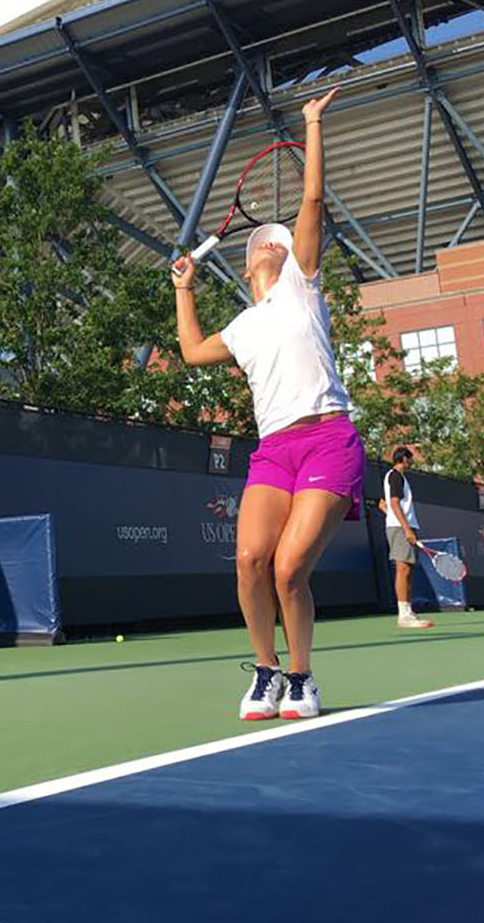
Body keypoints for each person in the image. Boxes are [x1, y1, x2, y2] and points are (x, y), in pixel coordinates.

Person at [173, 87, 363, 722]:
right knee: (250, 560)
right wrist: (184, 289)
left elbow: (311, 199)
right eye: (261, 243)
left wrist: (311, 124)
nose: (267, 243)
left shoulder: (303, 288)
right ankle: (266, 672)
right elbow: (194, 350)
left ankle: (304, 678)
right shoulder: (245, 325)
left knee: (288, 569)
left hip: (328, 439)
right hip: (275, 449)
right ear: (248, 261)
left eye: (276, 241)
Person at [383, 446, 434, 629]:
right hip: (400, 528)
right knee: (402, 568)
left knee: (408, 569)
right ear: (403, 458)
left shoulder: (399, 478)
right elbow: (395, 503)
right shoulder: (395, 475)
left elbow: (390, 504)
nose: (410, 462)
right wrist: (406, 529)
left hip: (404, 525)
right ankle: (403, 615)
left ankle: (408, 611)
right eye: (409, 458)